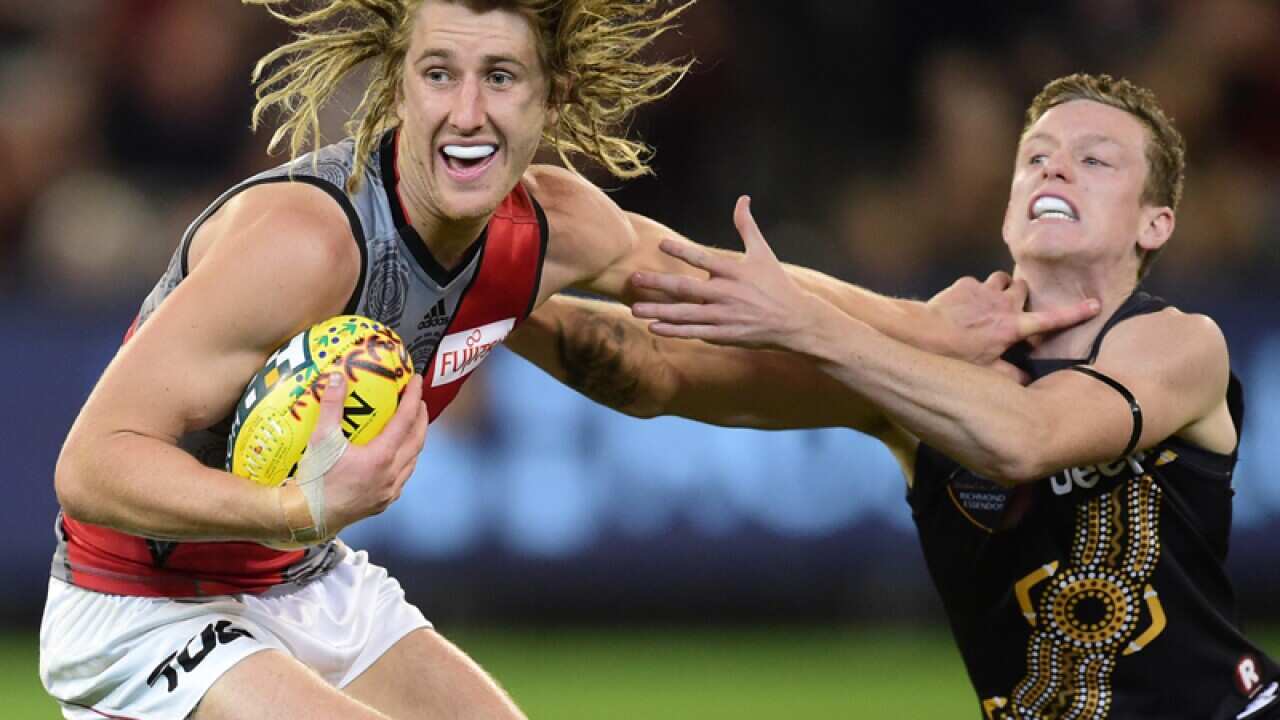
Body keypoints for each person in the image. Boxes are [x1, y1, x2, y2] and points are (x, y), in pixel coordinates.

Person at [38, 2, 1099, 718]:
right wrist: (299, 508)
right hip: (143, 601)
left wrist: (921, 329)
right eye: (438, 74)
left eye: (500, 77)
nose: (466, 110)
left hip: (301, 578)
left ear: (549, 100)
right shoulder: (306, 244)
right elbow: (91, 467)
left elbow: (715, 287)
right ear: (396, 91)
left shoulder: (545, 226)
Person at [514, 73, 1280, 719]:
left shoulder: (1181, 344)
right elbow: (654, 370)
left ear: (1157, 222)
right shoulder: (915, 369)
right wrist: (479, 295)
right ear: (1010, 204)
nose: (1055, 169)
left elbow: (1024, 437)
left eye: (1096, 160)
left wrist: (813, 323)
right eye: (1036, 157)